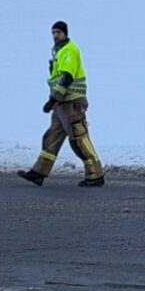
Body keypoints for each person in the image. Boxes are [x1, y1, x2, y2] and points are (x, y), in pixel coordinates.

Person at [18, 20, 105, 188]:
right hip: (62, 104)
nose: (55, 35)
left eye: (58, 32)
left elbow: (67, 77)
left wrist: (53, 99)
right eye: (53, 32)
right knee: (52, 137)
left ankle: (96, 174)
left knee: (79, 139)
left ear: (65, 33)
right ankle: (39, 172)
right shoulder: (59, 51)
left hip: (71, 103)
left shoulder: (69, 50)